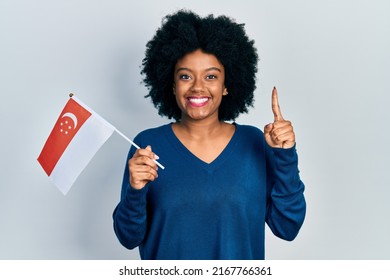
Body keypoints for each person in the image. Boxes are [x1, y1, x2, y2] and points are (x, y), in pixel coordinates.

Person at [112, 10, 306, 260]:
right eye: (185, 76)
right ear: (172, 85)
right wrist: (135, 191)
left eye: (211, 76)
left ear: (227, 85)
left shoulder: (254, 142)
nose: (197, 87)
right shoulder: (148, 146)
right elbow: (128, 237)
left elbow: (287, 227)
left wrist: (285, 157)